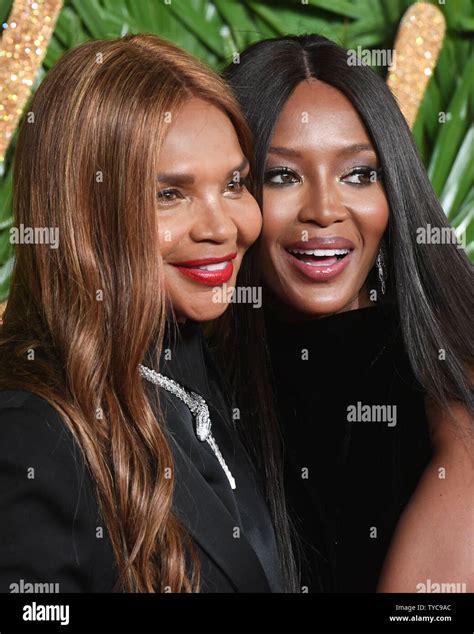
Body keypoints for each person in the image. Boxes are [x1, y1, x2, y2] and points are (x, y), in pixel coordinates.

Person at [0, 34, 296, 593]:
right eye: (170, 194)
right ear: (85, 215)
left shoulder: (213, 370)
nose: (221, 227)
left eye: (233, 184)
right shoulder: (29, 433)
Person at [224, 34, 474, 592]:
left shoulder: (442, 373)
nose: (325, 210)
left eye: (359, 174)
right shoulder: (193, 387)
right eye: (282, 175)